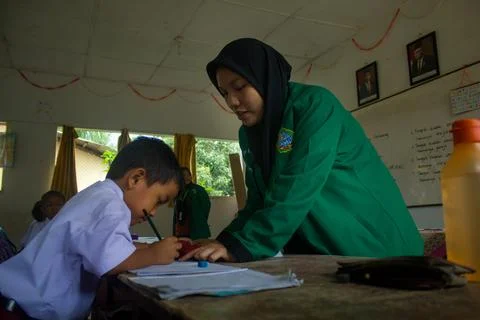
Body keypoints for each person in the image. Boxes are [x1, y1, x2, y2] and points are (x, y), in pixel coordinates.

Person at [181, 38, 423, 263]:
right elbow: (258, 201)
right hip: (328, 258)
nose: (232, 102)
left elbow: (297, 186)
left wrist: (242, 247)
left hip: (380, 251)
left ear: (265, 78)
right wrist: (225, 242)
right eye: (225, 93)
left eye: (240, 87)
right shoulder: (250, 134)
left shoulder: (314, 107)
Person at [0, 137, 184, 319]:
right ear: (135, 179)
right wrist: (154, 255)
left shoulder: (100, 196)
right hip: (21, 311)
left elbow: (110, 248)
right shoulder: (111, 205)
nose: (153, 213)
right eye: (158, 201)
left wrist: (156, 248)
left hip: (21, 304)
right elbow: (111, 262)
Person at [173, 167, 211, 240]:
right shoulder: (179, 192)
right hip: (182, 229)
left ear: (191, 176)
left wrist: (200, 221)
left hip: (197, 230)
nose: (185, 177)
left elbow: (206, 207)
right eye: (183, 175)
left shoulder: (199, 190)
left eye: (187, 175)